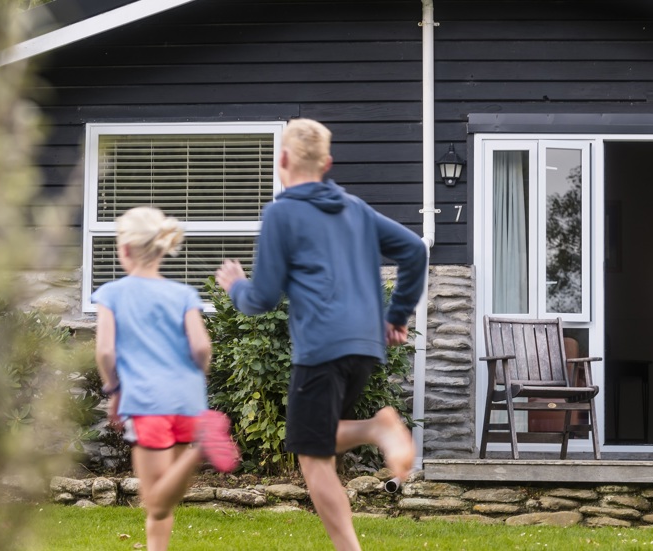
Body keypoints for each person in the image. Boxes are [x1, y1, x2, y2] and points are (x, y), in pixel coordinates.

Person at [215, 118, 427, 551]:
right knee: (317, 440)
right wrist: (397, 315)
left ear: (283, 160)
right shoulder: (356, 209)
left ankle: (377, 429)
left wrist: (235, 284)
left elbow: (263, 298)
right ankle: (374, 429)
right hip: (366, 347)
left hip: (320, 347)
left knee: (312, 459)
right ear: (327, 162)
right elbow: (415, 250)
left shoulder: (282, 213)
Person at [93, 206, 240, 551]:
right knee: (165, 501)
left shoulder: (112, 293)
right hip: (187, 401)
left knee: (154, 500)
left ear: (125, 249)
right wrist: (193, 380)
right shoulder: (183, 295)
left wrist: (113, 390)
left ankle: (202, 446)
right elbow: (203, 347)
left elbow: (105, 352)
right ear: (160, 249)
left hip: (146, 401)